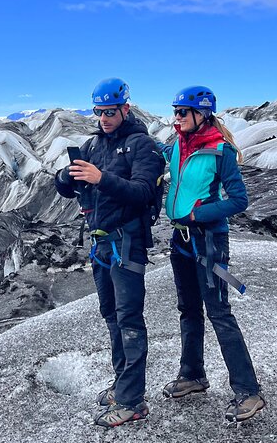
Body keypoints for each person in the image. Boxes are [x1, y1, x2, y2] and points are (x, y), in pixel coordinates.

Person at [54, 77, 164, 427]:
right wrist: (65, 177)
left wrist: (101, 178)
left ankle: (133, 401)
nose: (103, 118)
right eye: (99, 111)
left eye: (110, 112)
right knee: (112, 315)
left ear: (125, 109)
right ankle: (122, 385)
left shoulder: (141, 145)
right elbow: (69, 188)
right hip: (101, 243)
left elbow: (143, 192)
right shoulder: (93, 144)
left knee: (129, 318)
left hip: (127, 242)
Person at [160, 85, 265, 422]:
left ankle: (249, 392)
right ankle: (193, 376)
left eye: (182, 112)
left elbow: (239, 200)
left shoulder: (220, 152)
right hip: (181, 241)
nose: (176, 118)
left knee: (219, 312)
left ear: (201, 114)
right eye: (175, 111)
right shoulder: (176, 146)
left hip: (208, 242)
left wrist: (197, 214)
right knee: (189, 309)